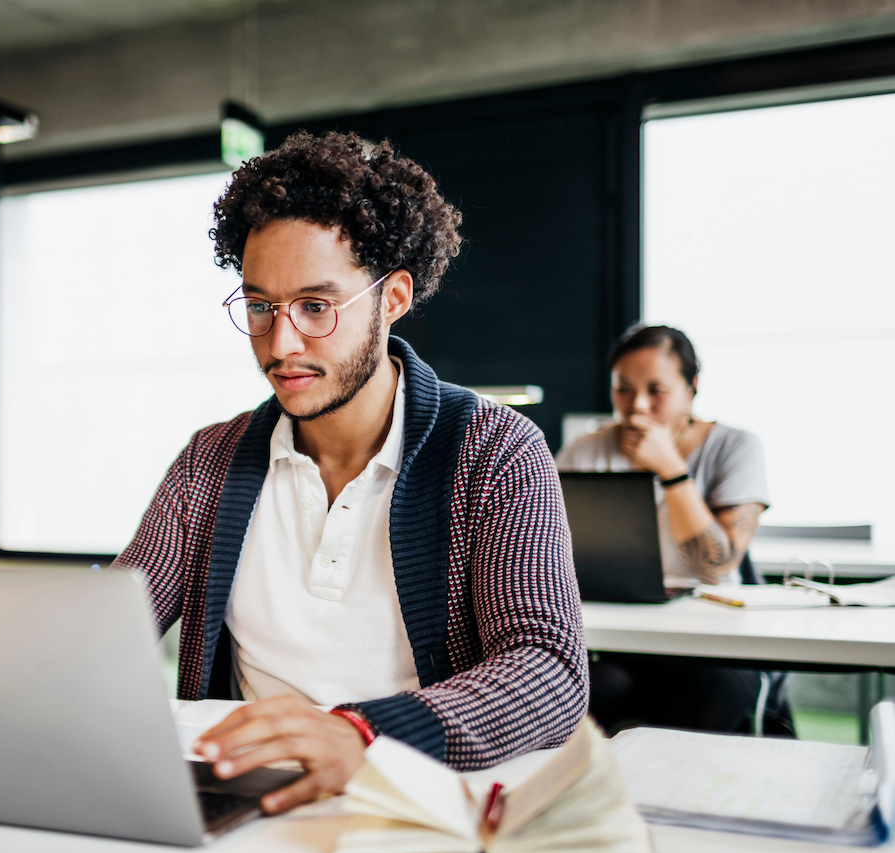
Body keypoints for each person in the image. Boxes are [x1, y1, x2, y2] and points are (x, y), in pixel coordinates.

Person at [113, 131, 588, 815]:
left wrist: (361, 734)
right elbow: (114, 621)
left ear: (391, 298)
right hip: (248, 811)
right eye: (258, 306)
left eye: (315, 306)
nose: (280, 345)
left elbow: (548, 671)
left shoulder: (495, 449)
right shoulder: (209, 460)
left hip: (414, 811)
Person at [557, 324, 777, 733]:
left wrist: (672, 471)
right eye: (622, 388)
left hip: (713, 646)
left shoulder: (735, 447)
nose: (636, 405)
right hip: (619, 639)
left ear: (692, 386)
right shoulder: (585, 451)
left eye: (656, 390)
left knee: (698, 704)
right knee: (573, 703)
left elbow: (715, 565)